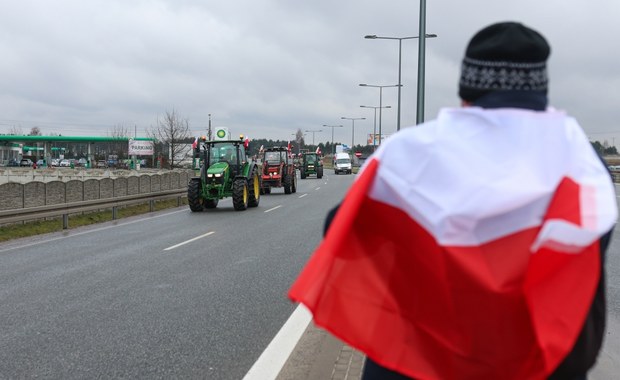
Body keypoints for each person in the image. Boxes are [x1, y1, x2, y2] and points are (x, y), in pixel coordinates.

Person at [289, 22, 616, 380]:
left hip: (420, 362)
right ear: (540, 88)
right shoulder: (582, 161)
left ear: (467, 89)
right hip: (541, 363)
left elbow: (340, 228)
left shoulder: (412, 151)